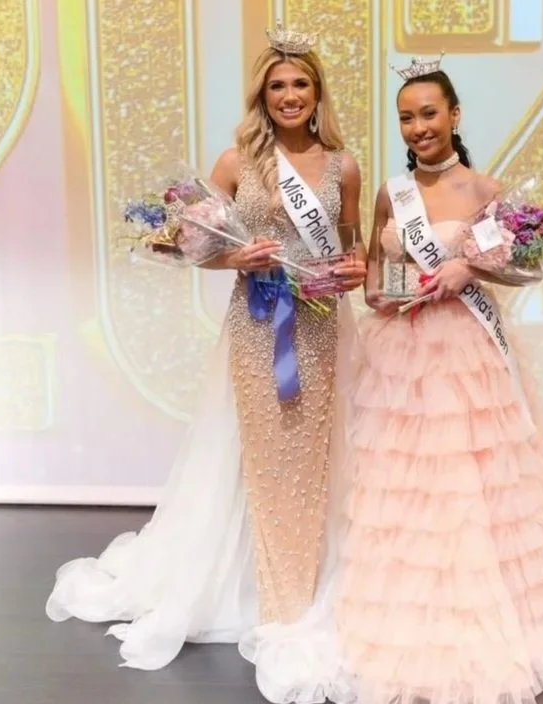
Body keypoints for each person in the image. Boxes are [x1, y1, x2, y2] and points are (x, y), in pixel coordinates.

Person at [238, 59, 543, 704]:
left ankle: (480, 603)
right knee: (401, 485)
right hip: (399, 353)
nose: (418, 127)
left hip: (463, 352)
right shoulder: (390, 194)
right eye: (406, 118)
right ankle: (406, 606)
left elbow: (521, 268)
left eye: (429, 114)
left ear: (454, 116)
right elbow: (372, 279)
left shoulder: (485, 192)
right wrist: (386, 293)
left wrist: (465, 269)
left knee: (468, 482)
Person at [44, 22, 367, 671]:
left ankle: (304, 581)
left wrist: (355, 268)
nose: (290, 95)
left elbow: (355, 248)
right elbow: (191, 244)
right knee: (262, 450)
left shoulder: (344, 166)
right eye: (277, 86)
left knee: (311, 455)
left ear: (317, 92)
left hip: (319, 326)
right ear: (262, 96)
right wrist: (234, 258)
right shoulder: (234, 163)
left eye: (300, 84)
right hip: (257, 322)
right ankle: (264, 589)